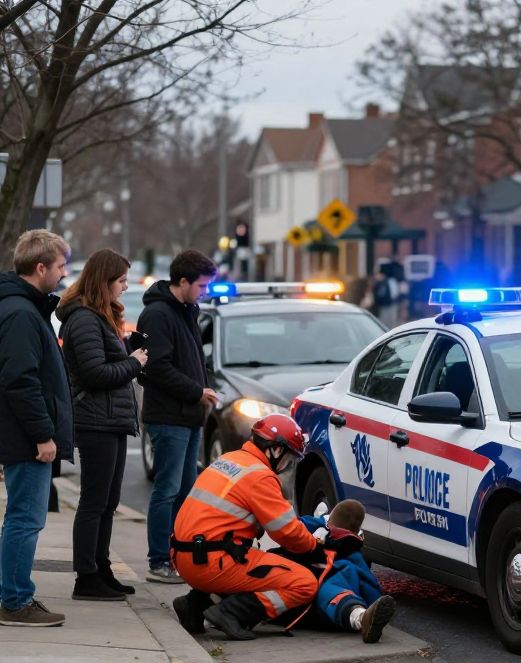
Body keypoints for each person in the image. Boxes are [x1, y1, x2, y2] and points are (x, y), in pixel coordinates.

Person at [169, 414, 351, 640]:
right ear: (275, 450)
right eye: (289, 457)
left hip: (184, 557)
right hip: (211, 562)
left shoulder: (229, 459)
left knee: (250, 559)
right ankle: (231, 614)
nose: (287, 465)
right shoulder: (259, 476)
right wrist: (314, 546)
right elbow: (288, 532)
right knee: (303, 583)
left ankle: (194, 604)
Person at [57, 249, 148, 601]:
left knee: (109, 500)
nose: (125, 287)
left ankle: (101, 567)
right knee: (94, 500)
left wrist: (128, 352)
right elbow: (96, 374)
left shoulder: (100, 315)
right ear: (104, 280)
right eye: (122, 280)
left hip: (111, 419)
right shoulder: (82, 319)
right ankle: (86, 577)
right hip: (95, 419)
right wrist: (134, 362)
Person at [0, 230, 72, 627]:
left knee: (22, 518)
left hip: (22, 433)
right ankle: (14, 601)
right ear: (41, 267)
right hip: (26, 438)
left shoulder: (23, 307)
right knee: (25, 519)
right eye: (60, 266)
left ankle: (14, 594)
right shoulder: (22, 313)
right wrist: (43, 435)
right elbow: (20, 380)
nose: (63, 274)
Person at [137, 249, 218, 584]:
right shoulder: (157, 314)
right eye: (200, 285)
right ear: (182, 281)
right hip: (168, 417)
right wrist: (196, 392)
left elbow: (197, 360)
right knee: (166, 490)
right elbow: (157, 367)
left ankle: (178, 553)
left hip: (190, 416)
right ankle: (159, 560)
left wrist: (206, 386)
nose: (204, 292)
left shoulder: (188, 309)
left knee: (185, 490)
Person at [290, 500, 397, 643]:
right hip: (345, 594)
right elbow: (369, 584)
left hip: (322, 596)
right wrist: (373, 600)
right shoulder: (354, 552)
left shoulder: (311, 529)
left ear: (330, 522)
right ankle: (363, 616)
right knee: (338, 588)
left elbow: (289, 527)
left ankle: (361, 618)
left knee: (329, 590)